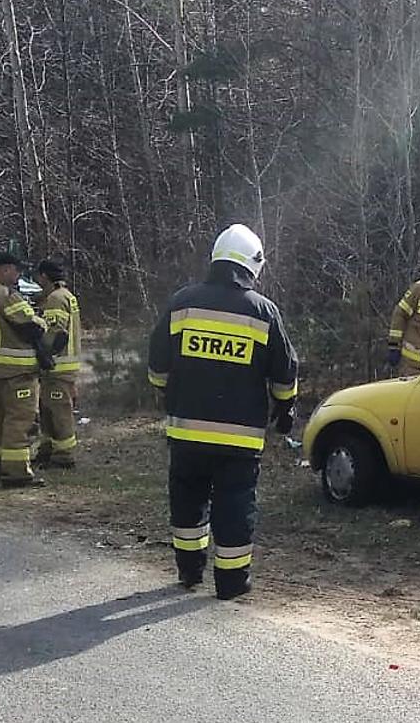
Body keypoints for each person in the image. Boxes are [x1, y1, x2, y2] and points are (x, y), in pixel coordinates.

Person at [147, 224, 299, 600]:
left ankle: (189, 572)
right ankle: (231, 583)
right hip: (239, 437)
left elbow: (157, 361)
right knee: (234, 506)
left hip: (185, 432)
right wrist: (285, 408)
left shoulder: (182, 303)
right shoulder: (263, 311)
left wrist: (167, 393)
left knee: (186, 501)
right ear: (252, 265)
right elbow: (284, 370)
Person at [0, 251, 54, 488]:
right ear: (5, 269)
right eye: (16, 270)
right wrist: (42, 321)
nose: (18, 276)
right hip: (16, 371)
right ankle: (17, 472)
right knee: (20, 420)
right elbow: (32, 325)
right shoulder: (7, 295)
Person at [33, 258, 82, 469]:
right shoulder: (66, 296)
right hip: (63, 366)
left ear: (44, 275)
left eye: (38, 275)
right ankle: (48, 449)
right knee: (48, 409)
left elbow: (56, 333)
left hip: (57, 366)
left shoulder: (55, 298)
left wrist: (45, 354)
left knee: (59, 411)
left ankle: (64, 454)